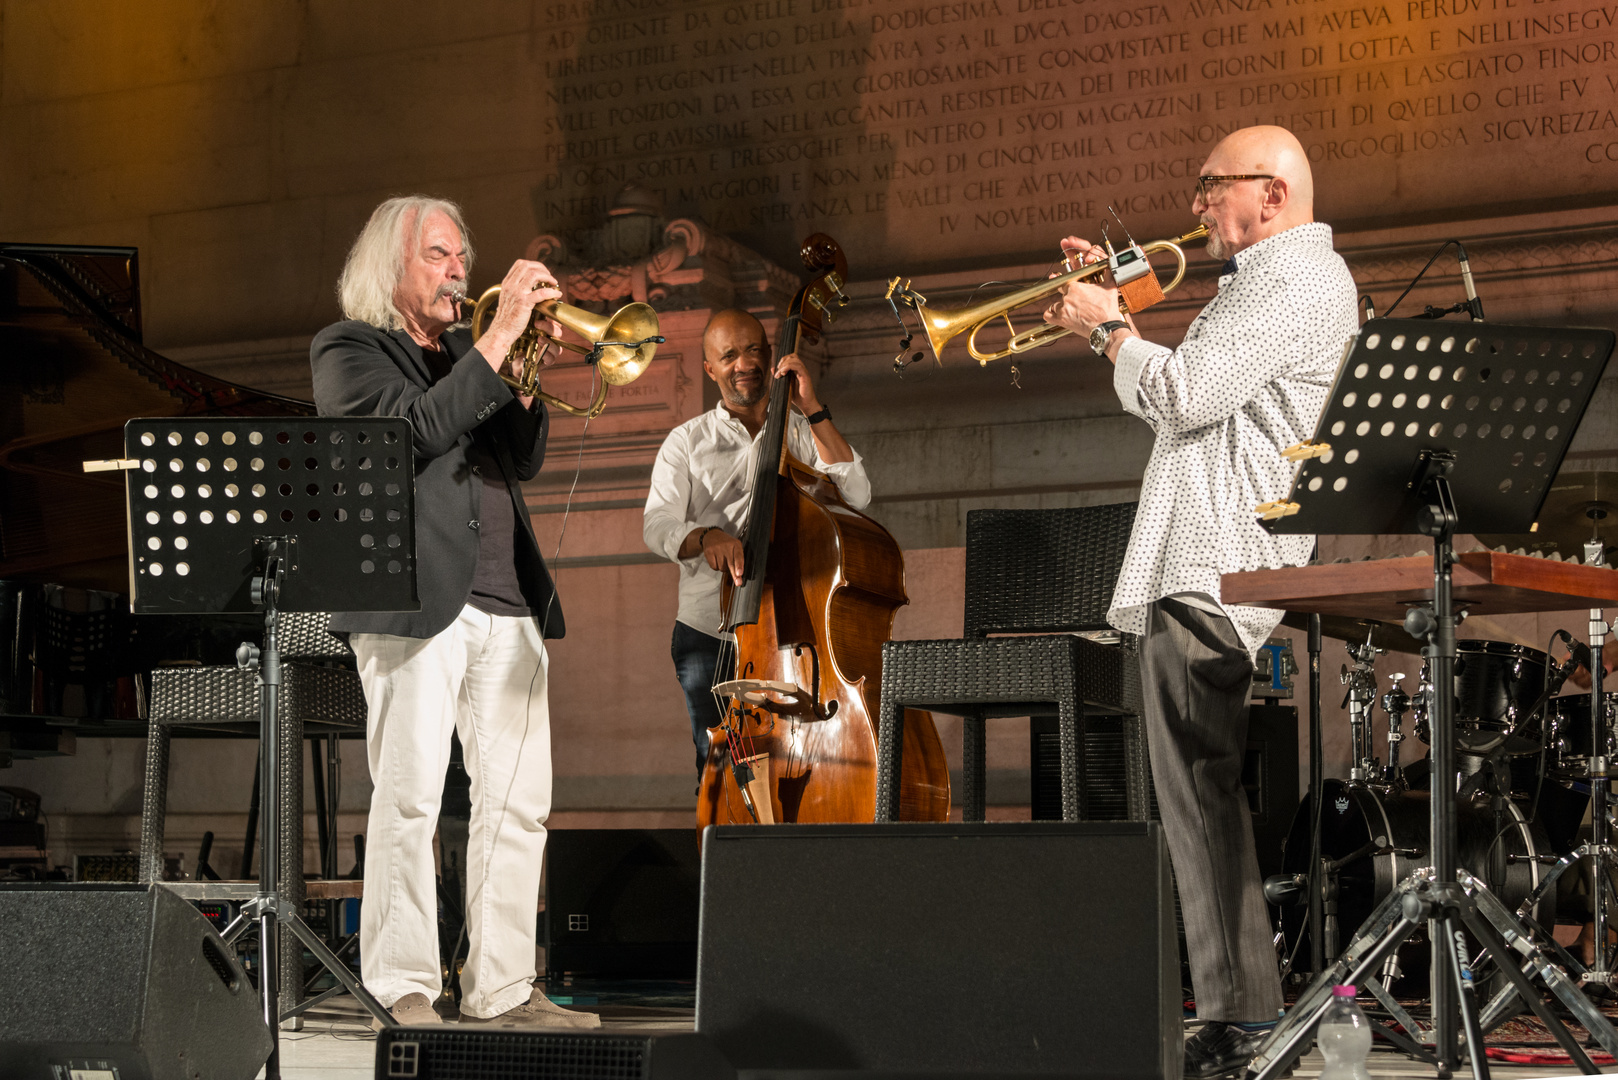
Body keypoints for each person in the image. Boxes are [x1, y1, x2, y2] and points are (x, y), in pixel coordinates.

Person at [1043, 126, 1358, 1079]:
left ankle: (1239, 1018)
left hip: (1218, 565)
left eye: (1208, 187)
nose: (1195, 206)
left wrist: (1109, 329)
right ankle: (1239, 1011)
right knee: (1196, 799)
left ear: (1270, 192)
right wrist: (1123, 306)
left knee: (1199, 801)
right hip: (1199, 561)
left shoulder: (1300, 279)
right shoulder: (1257, 283)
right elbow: (1186, 396)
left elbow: (1180, 394)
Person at [311, 195, 597, 1030]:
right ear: (390, 268)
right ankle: (402, 983)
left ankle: (503, 989)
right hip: (414, 600)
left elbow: (523, 457)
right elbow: (410, 432)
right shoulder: (350, 349)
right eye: (439, 254)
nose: (460, 271)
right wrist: (501, 338)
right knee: (410, 797)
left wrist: (526, 368)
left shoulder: (470, 350)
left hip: (507, 601)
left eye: (461, 256)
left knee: (517, 804)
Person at [643, 309, 871, 778]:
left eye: (753, 350)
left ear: (770, 356)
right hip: (710, 631)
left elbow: (857, 493)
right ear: (709, 368)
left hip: (790, 627)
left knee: (796, 759)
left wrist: (813, 408)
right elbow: (658, 524)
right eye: (728, 355)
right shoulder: (686, 441)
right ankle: (720, 849)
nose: (743, 363)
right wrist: (706, 537)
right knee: (721, 767)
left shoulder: (803, 432)